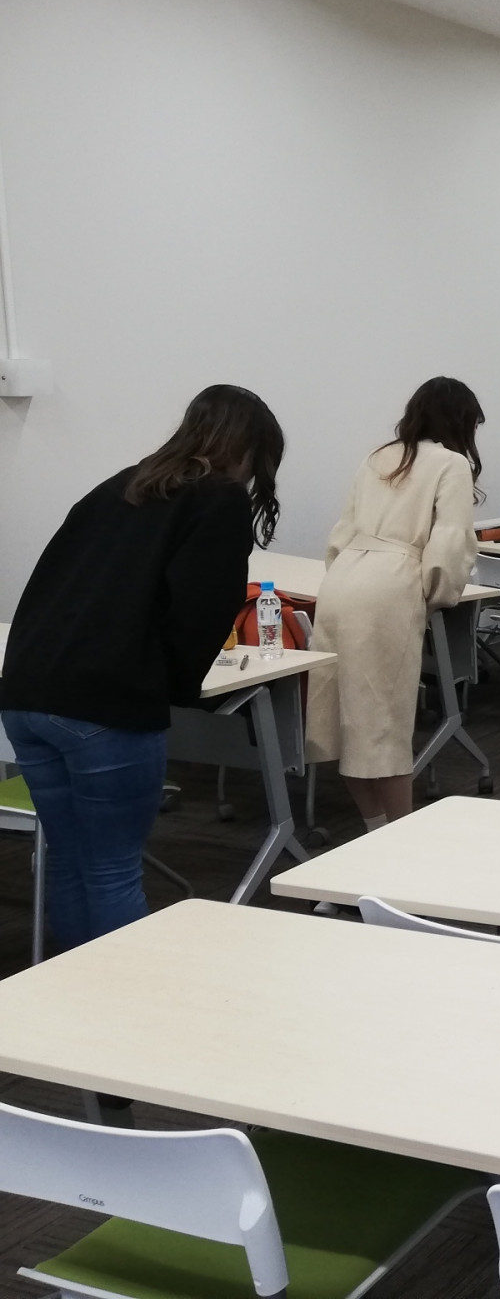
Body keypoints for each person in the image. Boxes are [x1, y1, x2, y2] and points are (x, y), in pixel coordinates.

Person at [0, 386, 283, 952]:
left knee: (68, 857)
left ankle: (72, 988)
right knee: (112, 868)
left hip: (27, 692)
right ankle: (120, 997)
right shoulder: (219, 498)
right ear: (248, 449)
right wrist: (172, 689)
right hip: (105, 702)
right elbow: (202, 610)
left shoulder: (121, 486)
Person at [306, 378, 482, 830]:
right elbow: (449, 543)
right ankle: (400, 838)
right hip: (389, 589)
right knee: (385, 727)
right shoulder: (452, 464)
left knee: (346, 723)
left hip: (341, 583)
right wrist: (436, 596)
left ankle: (375, 828)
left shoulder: (378, 456)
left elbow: (342, 532)